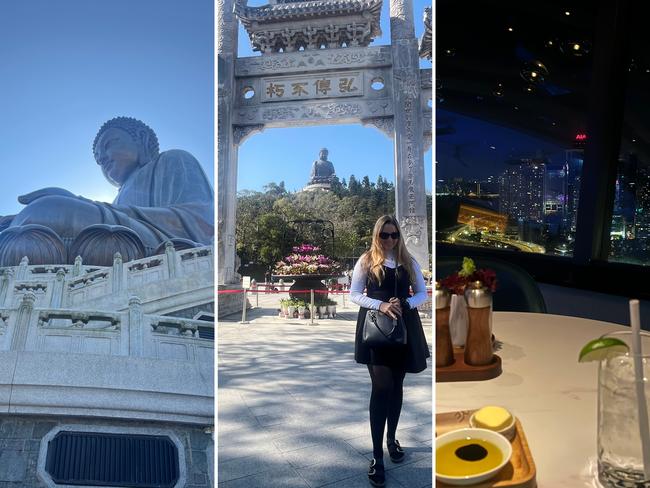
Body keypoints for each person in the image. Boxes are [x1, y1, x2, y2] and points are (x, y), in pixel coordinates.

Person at [0, 116, 213, 265]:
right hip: (123, 237)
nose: (102, 158)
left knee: (49, 208)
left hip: (164, 244)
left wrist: (86, 205)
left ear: (142, 139)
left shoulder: (174, 159)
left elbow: (200, 224)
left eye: (109, 144)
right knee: (37, 214)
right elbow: (114, 220)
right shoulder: (119, 195)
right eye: (98, 158)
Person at [349, 215, 430, 487]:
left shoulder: (409, 261)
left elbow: (422, 293)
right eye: (384, 234)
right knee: (381, 387)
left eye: (394, 234)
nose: (390, 240)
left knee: (396, 387)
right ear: (377, 235)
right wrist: (380, 305)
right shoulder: (366, 261)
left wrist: (405, 304)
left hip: (404, 327)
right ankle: (376, 456)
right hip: (376, 328)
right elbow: (354, 294)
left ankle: (391, 438)